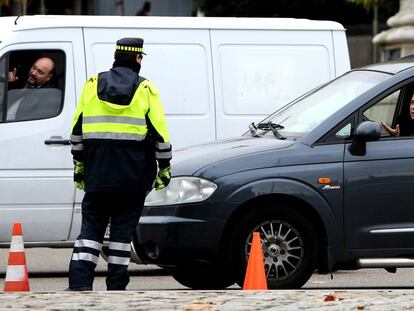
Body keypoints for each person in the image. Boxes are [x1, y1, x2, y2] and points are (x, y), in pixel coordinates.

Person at [68, 37, 172, 291]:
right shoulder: (146, 89)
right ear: (138, 58)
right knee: (122, 236)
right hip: (133, 181)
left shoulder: (92, 86)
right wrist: (164, 169)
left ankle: (79, 284)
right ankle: (116, 286)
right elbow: (160, 135)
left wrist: (80, 169)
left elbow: (76, 133)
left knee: (90, 233)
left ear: (115, 56)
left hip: (97, 176)